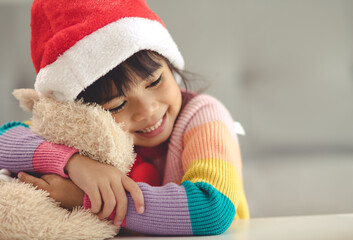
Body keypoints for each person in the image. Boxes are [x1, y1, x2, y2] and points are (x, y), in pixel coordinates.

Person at [0, 0, 249, 235]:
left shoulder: (204, 116)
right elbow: (4, 140)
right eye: (117, 105)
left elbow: (214, 207)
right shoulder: (86, 129)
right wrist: (74, 163)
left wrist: (84, 198)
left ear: (170, 65)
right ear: (80, 111)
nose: (147, 110)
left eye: (155, 81)